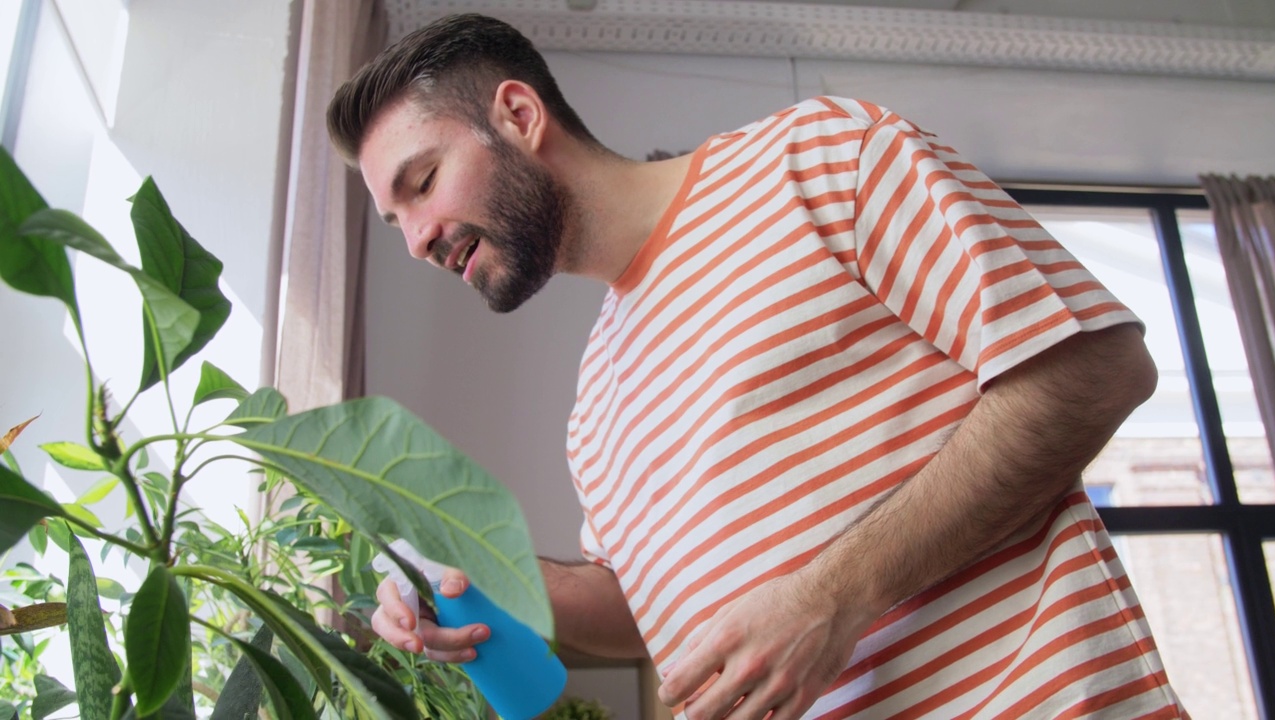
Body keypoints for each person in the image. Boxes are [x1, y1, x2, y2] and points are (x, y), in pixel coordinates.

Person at [328, 13, 1187, 720]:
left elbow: (1097, 367)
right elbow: (647, 611)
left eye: (423, 181)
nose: (415, 239)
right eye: (394, 218)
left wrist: (833, 595)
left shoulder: (818, 158)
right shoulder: (594, 406)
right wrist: (491, 578)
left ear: (518, 116)